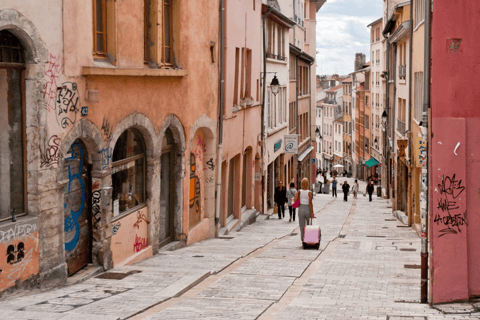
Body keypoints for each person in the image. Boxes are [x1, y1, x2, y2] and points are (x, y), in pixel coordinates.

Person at [293, 178, 315, 242]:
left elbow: (294, 200)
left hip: (301, 208)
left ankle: (303, 240)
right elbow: (310, 203)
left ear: (301, 184)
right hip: (307, 208)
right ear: (307, 184)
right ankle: (308, 239)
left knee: (302, 225)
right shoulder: (310, 192)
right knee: (308, 225)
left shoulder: (299, 192)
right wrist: (312, 212)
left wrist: (298, 199)